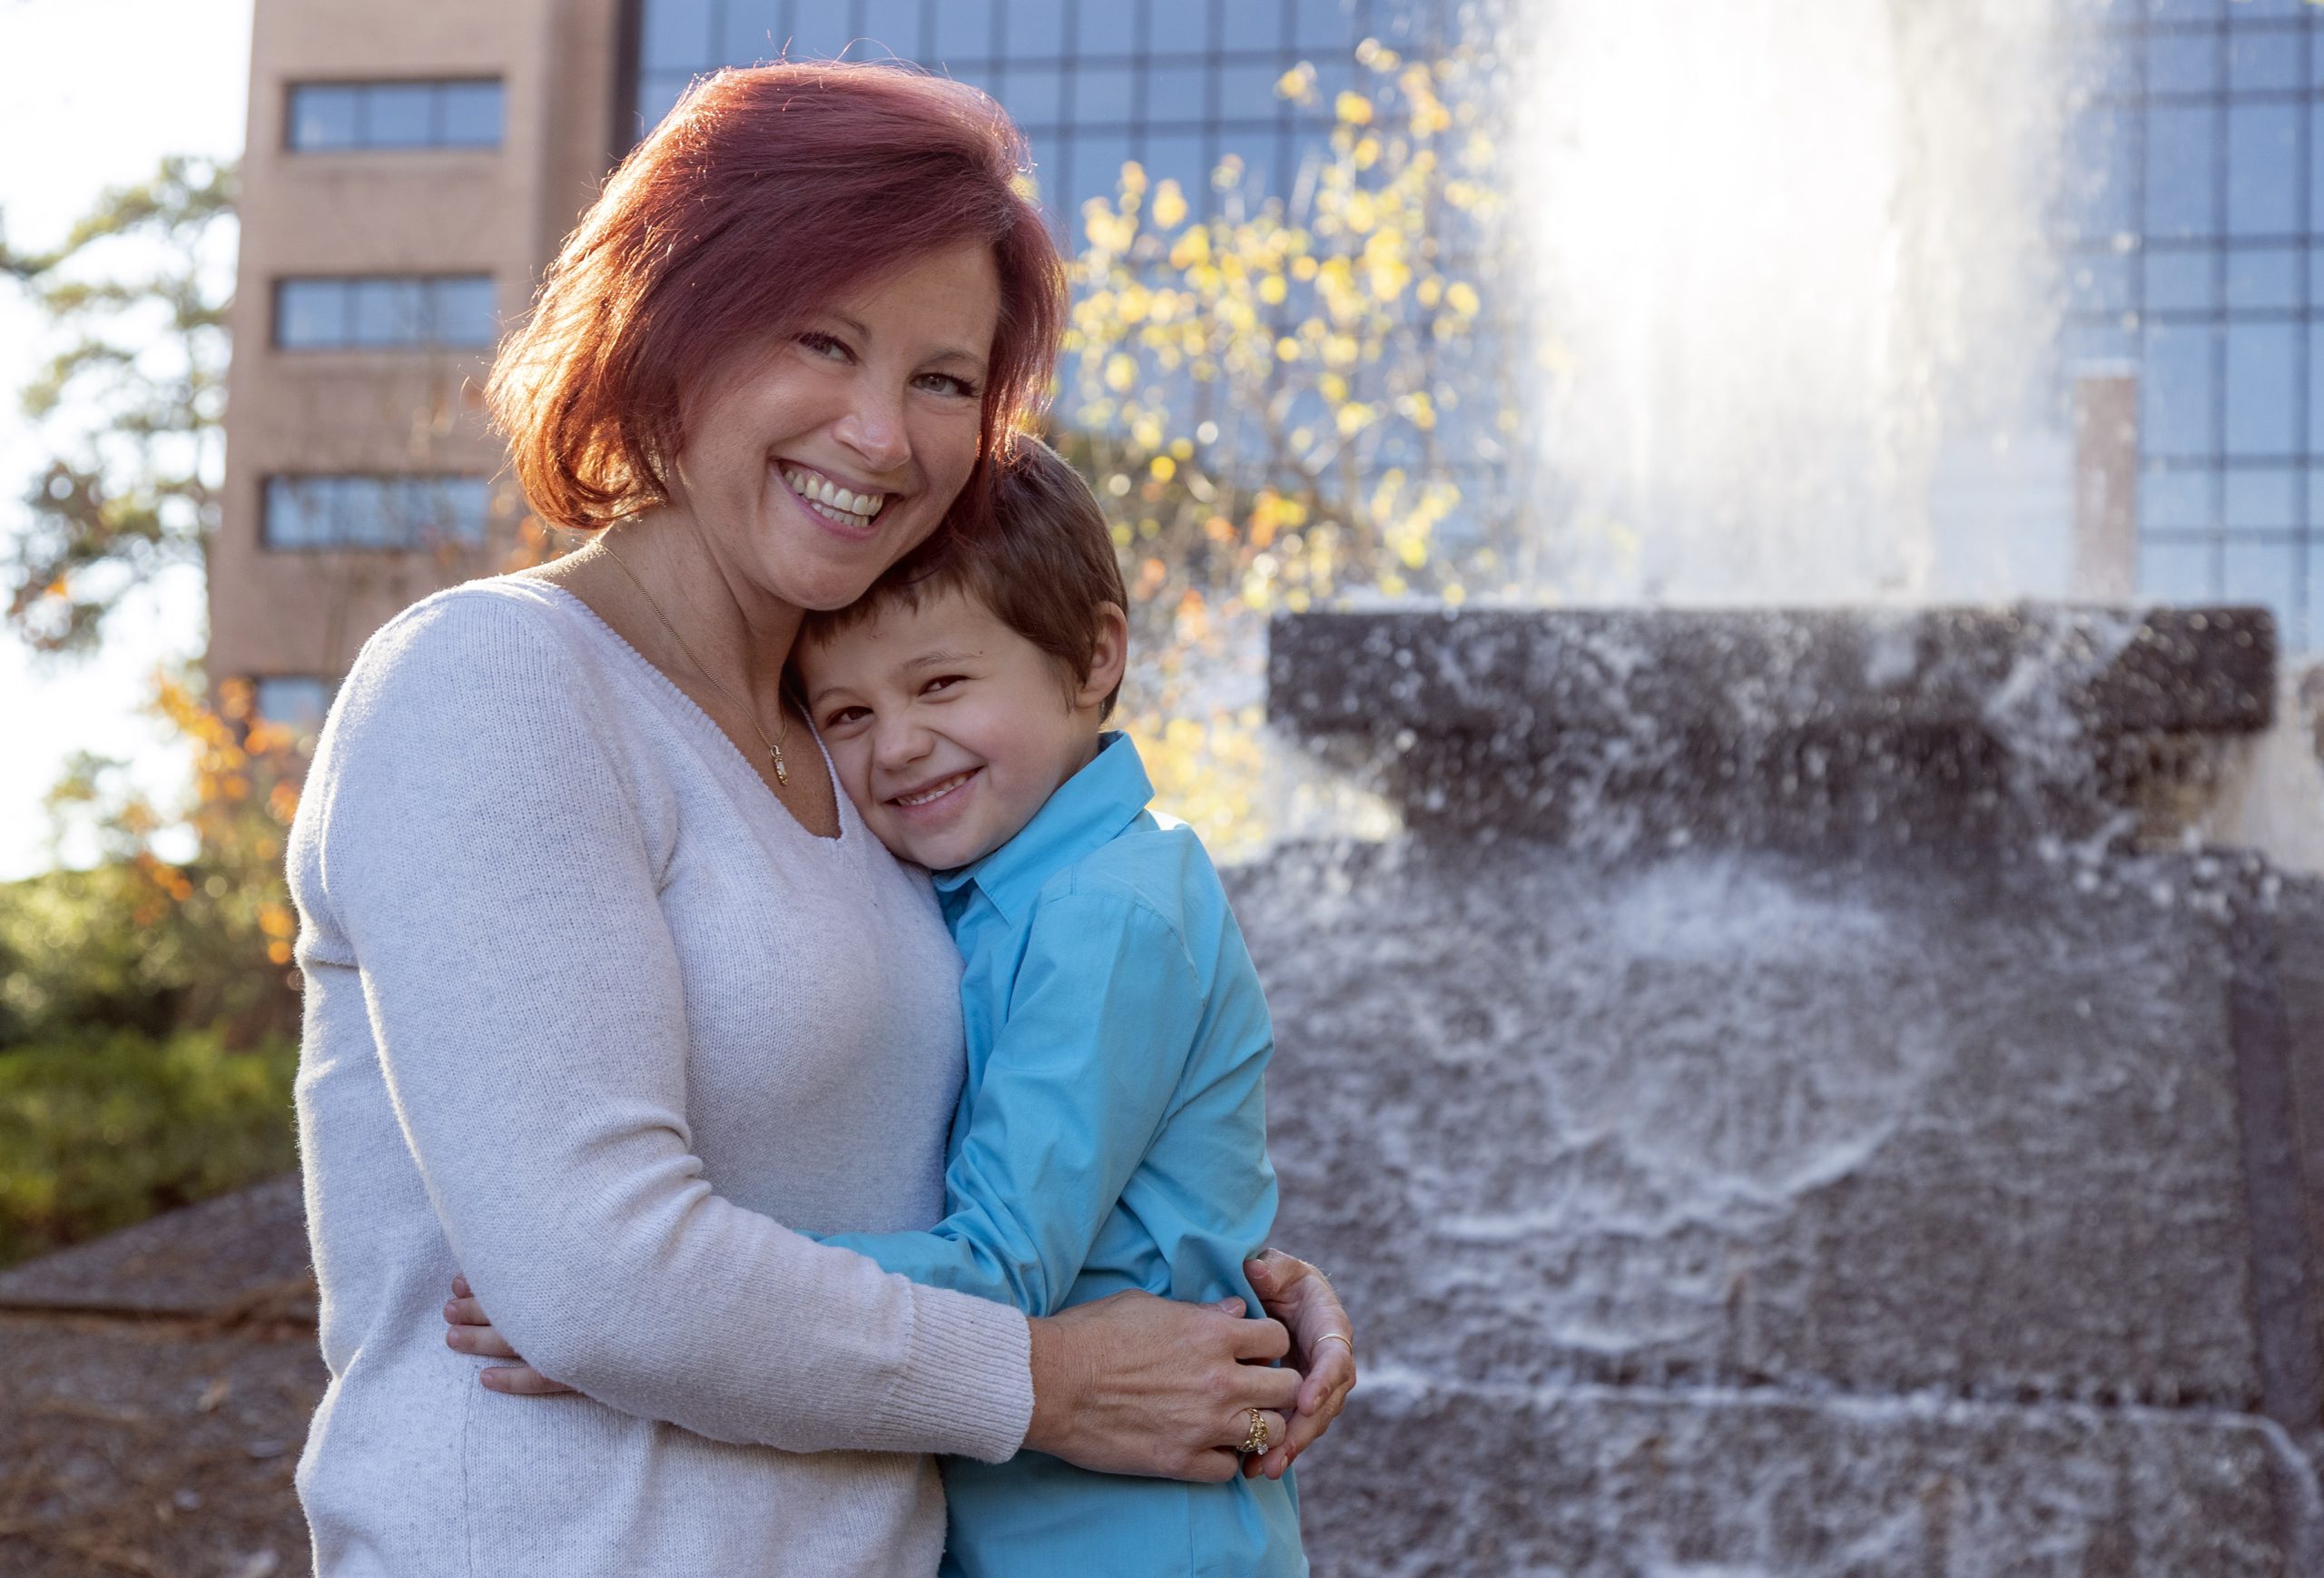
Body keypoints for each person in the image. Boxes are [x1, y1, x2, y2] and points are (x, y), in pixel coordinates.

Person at [286, 61, 1354, 1578]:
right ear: (669, 330)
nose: (881, 434)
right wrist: (1054, 1384)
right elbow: (600, 1276)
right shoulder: (497, 684)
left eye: (941, 378)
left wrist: (1223, 1297)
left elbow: (942, 1147)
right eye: (824, 342)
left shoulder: (864, 760)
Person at [450, 439, 1327, 1574]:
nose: (899, 744)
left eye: (942, 683)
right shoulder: (984, 885)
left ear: (1095, 654)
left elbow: (1004, 1263)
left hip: (1125, 1538)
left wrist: (649, 1319)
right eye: (847, 714)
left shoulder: (1110, 915)